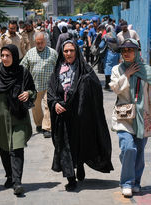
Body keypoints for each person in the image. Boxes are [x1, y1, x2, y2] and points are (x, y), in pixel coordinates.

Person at [48, 40, 114, 191]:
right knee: (65, 146)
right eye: (66, 51)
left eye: (71, 51)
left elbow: (96, 88)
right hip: (62, 116)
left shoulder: (85, 69)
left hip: (80, 116)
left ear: (76, 51)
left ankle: (81, 164)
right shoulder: (57, 69)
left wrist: (83, 90)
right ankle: (71, 178)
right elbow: (51, 90)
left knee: (81, 143)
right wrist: (55, 103)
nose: (69, 54)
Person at [109, 39, 151, 197]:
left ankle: (136, 182)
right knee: (129, 148)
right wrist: (126, 75)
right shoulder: (117, 69)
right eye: (124, 50)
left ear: (137, 51)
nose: (126, 53)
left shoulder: (146, 71)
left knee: (139, 151)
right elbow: (115, 89)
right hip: (124, 117)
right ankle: (126, 182)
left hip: (143, 117)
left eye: (130, 50)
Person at [0, 44, 36, 196]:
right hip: (0, 116)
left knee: (17, 148)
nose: (4, 58)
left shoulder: (23, 73)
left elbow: (33, 90)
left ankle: (17, 182)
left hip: (19, 117)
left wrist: (28, 93)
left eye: (8, 55)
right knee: (4, 149)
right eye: (2, 55)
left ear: (14, 56)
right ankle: (10, 176)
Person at [20, 32, 58, 138]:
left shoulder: (53, 53)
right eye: (37, 43)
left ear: (45, 42)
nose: (40, 45)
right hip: (34, 86)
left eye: (41, 42)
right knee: (35, 107)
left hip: (49, 85)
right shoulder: (30, 53)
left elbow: (59, 67)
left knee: (48, 106)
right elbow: (22, 67)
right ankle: (39, 124)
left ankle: (47, 128)